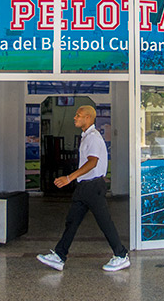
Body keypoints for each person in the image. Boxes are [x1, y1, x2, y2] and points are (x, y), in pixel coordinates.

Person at [38, 106, 129, 272]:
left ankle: (121, 256)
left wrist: (69, 178)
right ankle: (59, 256)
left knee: (104, 222)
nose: (75, 118)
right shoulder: (86, 136)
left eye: (78, 116)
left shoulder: (93, 137)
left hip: (93, 186)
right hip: (84, 187)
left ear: (88, 118)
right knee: (72, 221)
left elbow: (92, 162)